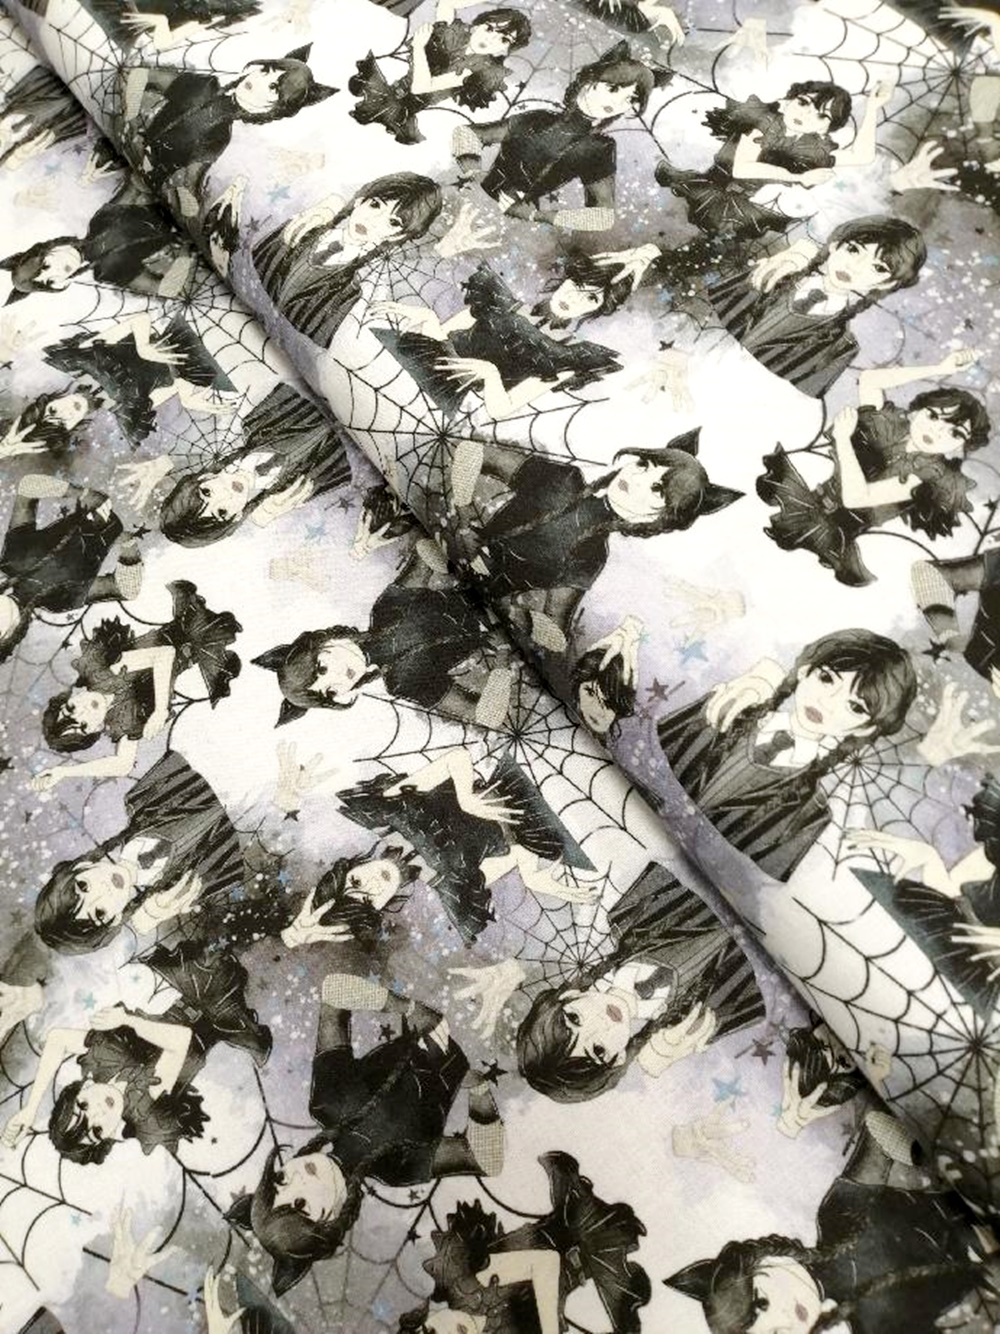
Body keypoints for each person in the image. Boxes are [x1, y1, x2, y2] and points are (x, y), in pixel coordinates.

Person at [225, 972, 505, 1295]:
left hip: (433, 990)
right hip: (481, 1045)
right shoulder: (397, 1168)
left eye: (281, 1179)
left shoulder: (327, 1101)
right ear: (331, 1220)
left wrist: (408, 1007)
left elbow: (333, 992)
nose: (299, 1179)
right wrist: (479, 1090)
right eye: (301, 1204)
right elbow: (485, 1158)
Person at [665, 1115, 998, 1332]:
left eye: (763, 1303)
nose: (784, 1326)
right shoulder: (869, 1327)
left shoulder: (838, 1215)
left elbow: (880, 1133)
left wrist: (936, 1164)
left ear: (766, 1261)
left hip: (975, 1184)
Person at [658, 630, 917, 881]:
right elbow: (648, 743)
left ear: (866, 728)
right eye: (826, 678)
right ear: (805, 670)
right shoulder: (728, 706)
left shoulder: (811, 814)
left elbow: (748, 883)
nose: (827, 702)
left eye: (855, 707)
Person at [514, 860, 764, 1101]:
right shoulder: (705, 1021)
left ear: (570, 995)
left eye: (575, 1018)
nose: (601, 1026)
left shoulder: (630, 913)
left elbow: (682, 862)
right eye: (598, 1050)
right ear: (619, 1058)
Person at [1, 941, 270, 1162]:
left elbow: (57, 1039)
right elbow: (181, 1040)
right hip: (204, 1008)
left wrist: (30, 1109)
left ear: (83, 1087)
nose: (98, 1113)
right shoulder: (145, 1104)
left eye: (83, 1106)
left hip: (167, 982)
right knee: (219, 963)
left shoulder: (102, 1061)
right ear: (110, 1136)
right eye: (97, 1130)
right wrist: (129, 1021)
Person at [758, 351, 988, 585]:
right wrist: (939, 369)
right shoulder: (887, 427)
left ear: (960, 448)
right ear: (915, 412)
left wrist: (844, 440)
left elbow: (856, 498)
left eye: (955, 433)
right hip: (806, 501)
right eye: (933, 416)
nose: (937, 431)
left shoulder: (929, 476)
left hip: (832, 536)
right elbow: (869, 380)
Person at [334, 747, 596, 944]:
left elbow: (457, 757)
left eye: (356, 881)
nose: (373, 885)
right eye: (369, 899)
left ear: (354, 864)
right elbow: (515, 846)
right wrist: (531, 877)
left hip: (515, 770)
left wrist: (466, 798)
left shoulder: (388, 811)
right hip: (544, 813)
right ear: (382, 907)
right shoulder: (449, 885)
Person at [254, 547, 515, 729]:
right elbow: (483, 715)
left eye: (322, 668)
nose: (337, 679)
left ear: (324, 640)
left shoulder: (385, 611)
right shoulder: (402, 683)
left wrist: (464, 566)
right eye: (330, 692)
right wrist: (503, 654)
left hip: (485, 573)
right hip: (510, 627)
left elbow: (424, 553)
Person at [397, 1152, 651, 1332]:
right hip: (588, 1267)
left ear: (426, 1316)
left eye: (430, 1332)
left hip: (573, 1223)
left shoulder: (464, 1283)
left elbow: (545, 1262)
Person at [33, 750, 244, 956]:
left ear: (83, 866)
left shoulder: (143, 797)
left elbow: (196, 748)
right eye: (99, 912)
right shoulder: (192, 888)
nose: (103, 892)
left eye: (84, 886)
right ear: (116, 919)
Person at [35, 580, 241, 789]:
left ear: (73, 694)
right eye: (83, 726)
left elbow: (164, 654)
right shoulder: (121, 719)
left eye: (71, 708)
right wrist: (64, 772)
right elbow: (123, 765)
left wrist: (160, 710)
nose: (83, 713)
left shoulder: (104, 672)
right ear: (96, 729)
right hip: (197, 653)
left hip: (188, 627)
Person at [371, 256, 625, 420]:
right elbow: (441, 339)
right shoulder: (499, 301)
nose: (575, 298)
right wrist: (426, 320)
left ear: (599, 309)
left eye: (591, 297)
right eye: (576, 284)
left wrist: (490, 374)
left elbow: (500, 410)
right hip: (416, 357)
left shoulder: (567, 354)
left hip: (440, 395)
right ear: (565, 279)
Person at [452, 41, 669, 231]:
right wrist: (473, 172)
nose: (617, 102)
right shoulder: (539, 118)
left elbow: (603, 216)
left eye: (630, 99)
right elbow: (467, 132)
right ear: (589, 81)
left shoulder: (600, 147)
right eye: (613, 89)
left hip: (512, 223)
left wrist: (538, 216)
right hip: (472, 195)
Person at [121, 48, 335, 214]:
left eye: (273, 88)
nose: (258, 81)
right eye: (265, 71)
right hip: (138, 143)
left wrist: (186, 195)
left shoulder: (220, 136)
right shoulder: (204, 87)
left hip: (152, 176)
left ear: (276, 110)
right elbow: (142, 75)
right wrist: (131, 117)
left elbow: (193, 176)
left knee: (132, 203)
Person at [251, 172, 443, 347]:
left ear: (398, 236)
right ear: (360, 200)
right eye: (375, 205)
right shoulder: (301, 229)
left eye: (393, 222)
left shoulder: (351, 291)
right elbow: (256, 260)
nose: (373, 220)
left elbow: (315, 338)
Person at [155, 383, 352, 545]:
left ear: (205, 477)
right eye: (221, 512)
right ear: (236, 517)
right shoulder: (305, 489)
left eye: (207, 492)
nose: (226, 496)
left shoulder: (257, 416)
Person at [0, 473, 141, 665]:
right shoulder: (59, 599)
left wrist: (80, 493)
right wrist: (129, 548)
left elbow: (28, 486)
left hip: (100, 480)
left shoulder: (12, 559)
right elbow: (124, 589)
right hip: (131, 510)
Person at [350, 6, 531, 145]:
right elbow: (447, 3)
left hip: (402, 109)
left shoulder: (478, 71)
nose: (491, 39)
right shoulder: (454, 36)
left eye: (504, 39)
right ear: (476, 26)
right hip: (390, 90)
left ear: (505, 51)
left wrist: (419, 47)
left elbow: (421, 86)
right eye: (489, 28)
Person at [1, 178, 198, 303]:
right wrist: (187, 250)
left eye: (46, 266)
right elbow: (165, 289)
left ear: (49, 248)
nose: (58, 273)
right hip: (188, 230)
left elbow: (135, 185)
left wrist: (168, 187)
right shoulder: (106, 271)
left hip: (172, 196)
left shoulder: (98, 222)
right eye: (50, 281)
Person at [0, 65, 87, 170]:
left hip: (66, 72)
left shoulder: (15, 97)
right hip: (79, 95)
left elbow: (43, 72)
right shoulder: (37, 136)